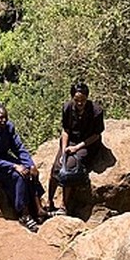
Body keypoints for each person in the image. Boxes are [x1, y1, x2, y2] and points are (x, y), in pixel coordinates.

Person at [0, 103, 44, 233]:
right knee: (17, 176)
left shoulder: (8, 127)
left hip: (3, 158)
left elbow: (18, 147)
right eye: (0, 118)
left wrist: (30, 164)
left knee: (29, 171)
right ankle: (23, 213)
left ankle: (38, 207)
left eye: (5, 118)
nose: (3, 121)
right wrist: (14, 166)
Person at [47, 81, 104, 216]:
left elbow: (96, 134)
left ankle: (64, 205)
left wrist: (77, 147)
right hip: (71, 140)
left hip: (87, 142)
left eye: (82, 100)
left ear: (87, 98)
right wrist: (65, 148)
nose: (79, 103)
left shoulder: (96, 111)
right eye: (77, 100)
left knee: (70, 166)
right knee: (57, 166)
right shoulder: (67, 107)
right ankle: (49, 201)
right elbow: (66, 130)